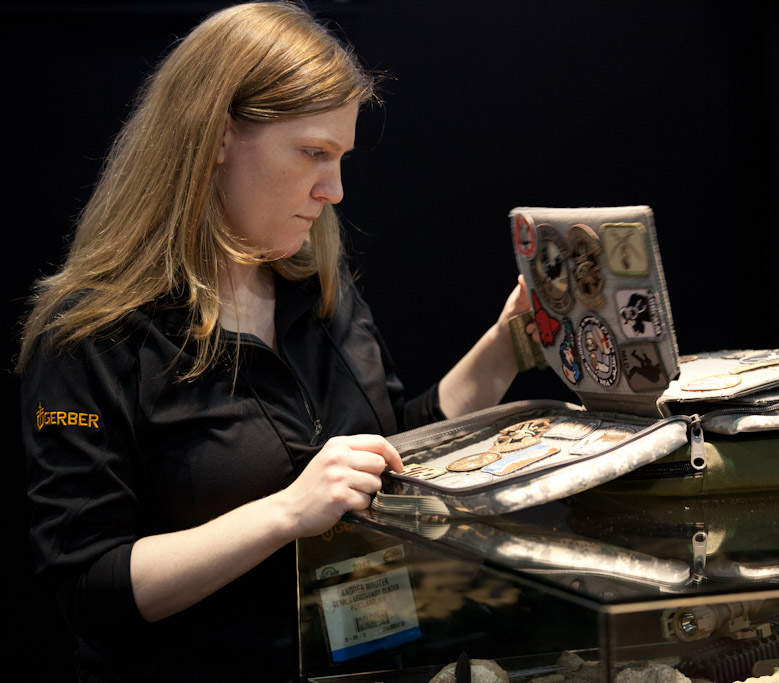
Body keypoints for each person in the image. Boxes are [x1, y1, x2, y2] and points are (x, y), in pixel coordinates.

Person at [17, 3, 530, 681]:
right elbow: (89, 584)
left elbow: (388, 451)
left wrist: (509, 345)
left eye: (341, 158)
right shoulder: (94, 333)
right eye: (314, 153)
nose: (334, 189)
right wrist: (286, 513)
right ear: (218, 135)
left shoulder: (316, 288)